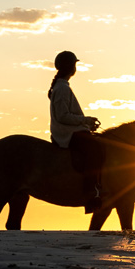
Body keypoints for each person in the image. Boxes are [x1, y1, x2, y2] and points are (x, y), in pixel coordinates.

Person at [48, 51, 104, 213]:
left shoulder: (61, 86)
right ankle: (90, 192)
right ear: (71, 67)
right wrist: (85, 120)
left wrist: (86, 123)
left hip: (70, 131)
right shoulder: (62, 88)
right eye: (74, 65)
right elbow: (63, 116)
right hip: (67, 133)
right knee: (95, 150)